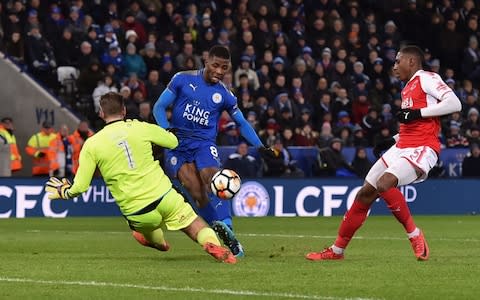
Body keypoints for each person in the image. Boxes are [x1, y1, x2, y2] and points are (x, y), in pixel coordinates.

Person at [306, 45, 461, 261]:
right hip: (401, 146)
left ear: (412, 62)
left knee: (384, 183)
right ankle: (337, 251)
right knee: (365, 194)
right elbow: (413, 123)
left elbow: (455, 103)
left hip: (422, 147)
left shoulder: (426, 77)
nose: (395, 66)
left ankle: (415, 236)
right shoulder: (407, 88)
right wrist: (392, 140)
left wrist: (418, 113)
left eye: (398, 61)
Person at [44, 92, 236, 264]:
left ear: (101, 114)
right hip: (164, 195)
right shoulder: (141, 127)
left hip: (136, 209)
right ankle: (212, 244)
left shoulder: (92, 144)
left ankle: (159, 243)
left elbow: (80, 187)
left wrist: (64, 192)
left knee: (147, 230)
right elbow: (173, 141)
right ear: (124, 110)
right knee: (194, 225)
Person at [153, 45, 274, 257]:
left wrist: (260, 146)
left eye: (224, 68)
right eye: (216, 65)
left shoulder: (225, 95)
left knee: (212, 178)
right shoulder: (182, 79)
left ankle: (230, 235)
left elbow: (242, 123)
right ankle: (219, 229)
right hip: (177, 144)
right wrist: (165, 132)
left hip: (204, 144)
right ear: (206, 61)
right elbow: (158, 107)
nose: (219, 71)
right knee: (196, 191)